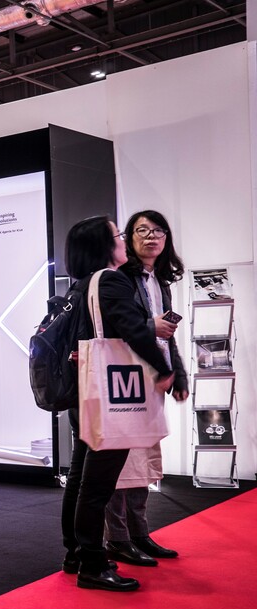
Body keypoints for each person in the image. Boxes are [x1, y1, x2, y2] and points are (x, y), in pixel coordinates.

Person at [57, 216, 177, 592]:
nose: (124, 241)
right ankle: (93, 564)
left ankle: (77, 555)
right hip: (111, 397)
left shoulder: (81, 285)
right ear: (104, 245)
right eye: (119, 235)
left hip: (86, 391)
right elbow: (133, 330)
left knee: (80, 479)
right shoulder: (109, 280)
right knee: (97, 485)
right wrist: (163, 369)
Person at [103, 210, 188, 565]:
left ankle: (139, 533)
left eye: (157, 231)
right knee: (121, 463)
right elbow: (124, 327)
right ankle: (117, 538)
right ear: (128, 237)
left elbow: (167, 335)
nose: (151, 237)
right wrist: (153, 334)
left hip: (152, 378)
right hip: (126, 378)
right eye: (142, 230)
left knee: (145, 458)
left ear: (166, 238)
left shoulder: (160, 282)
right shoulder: (120, 277)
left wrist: (177, 374)